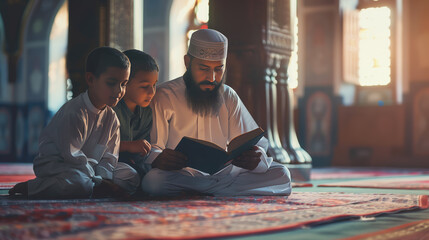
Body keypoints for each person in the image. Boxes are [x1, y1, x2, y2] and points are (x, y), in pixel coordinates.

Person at [141, 29, 292, 196]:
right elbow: (153, 149)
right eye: (204, 68)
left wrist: (255, 158)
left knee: (282, 174)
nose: (212, 78)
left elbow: (254, 145)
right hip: (181, 174)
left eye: (218, 69)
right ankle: (218, 192)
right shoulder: (164, 95)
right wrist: (159, 158)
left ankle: (202, 192)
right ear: (187, 62)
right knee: (153, 181)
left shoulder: (228, 96)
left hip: (223, 175)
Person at [9, 46, 140, 199]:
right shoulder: (75, 112)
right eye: (111, 83)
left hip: (91, 167)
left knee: (131, 177)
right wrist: (100, 182)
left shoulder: (111, 118)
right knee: (80, 184)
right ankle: (34, 187)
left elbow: (109, 157)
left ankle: (93, 186)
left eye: (124, 84)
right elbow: (73, 157)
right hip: (59, 165)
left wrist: (105, 179)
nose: (119, 91)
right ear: (91, 79)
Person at [113, 49, 158, 178]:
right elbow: (97, 146)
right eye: (144, 86)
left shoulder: (146, 113)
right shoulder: (111, 109)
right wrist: (127, 146)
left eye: (154, 85)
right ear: (125, 82)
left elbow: (142, 155)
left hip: (133, 165)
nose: (151, 92)